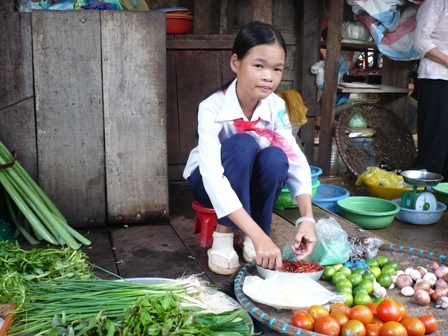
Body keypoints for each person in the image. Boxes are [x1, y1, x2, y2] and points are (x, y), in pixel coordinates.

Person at [183, 21, 317, 275]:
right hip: (205, 182)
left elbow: (295, 159)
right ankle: (223, 235)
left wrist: (306, 220)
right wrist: (257, 236)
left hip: (248, 184)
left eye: (277, 69)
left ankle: (257, 231)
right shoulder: (211, 107)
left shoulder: (276, 106)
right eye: (259, 66)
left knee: (277, 157)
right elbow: (213, 177)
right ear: (236, 63)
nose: (269, 76)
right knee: (243, 144)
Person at [412, 0, 448, 180]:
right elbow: (420, 40)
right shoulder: (437, 3)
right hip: (437, 79)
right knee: (436, 142)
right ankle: (422, 193)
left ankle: (443, 196)